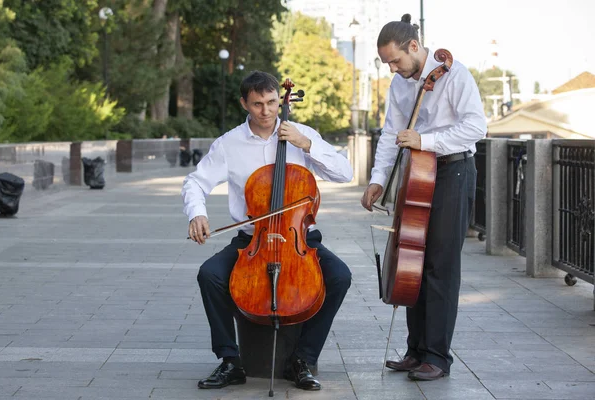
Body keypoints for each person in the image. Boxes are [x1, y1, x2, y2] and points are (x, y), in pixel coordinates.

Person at [182, 71, 353, 391]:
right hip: (252, 238)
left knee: (340, 276)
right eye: (257, 104)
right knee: (210, 274)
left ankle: (302, 359)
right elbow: (196, 181)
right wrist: (197, 214)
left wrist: (308, 144)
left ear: (280, 99)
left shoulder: (301, 133)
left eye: (272, 102)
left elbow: (345, 173)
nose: (266, 111)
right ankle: (230, 360)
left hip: (299, 237)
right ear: (244, 103)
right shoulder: (229, 143)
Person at [361, 14, 487, 381]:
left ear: (414, 47)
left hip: (453, 170)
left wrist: (425, 141)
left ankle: (437, 356)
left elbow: (476, 127)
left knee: (440, 265)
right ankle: (416, 351)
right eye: (387, 64)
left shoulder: (455, 74)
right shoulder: (399, 84)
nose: (393, 69)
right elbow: (390, 134)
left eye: (396, 61)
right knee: (411, 259)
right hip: (417, 173)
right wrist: (377, 180)